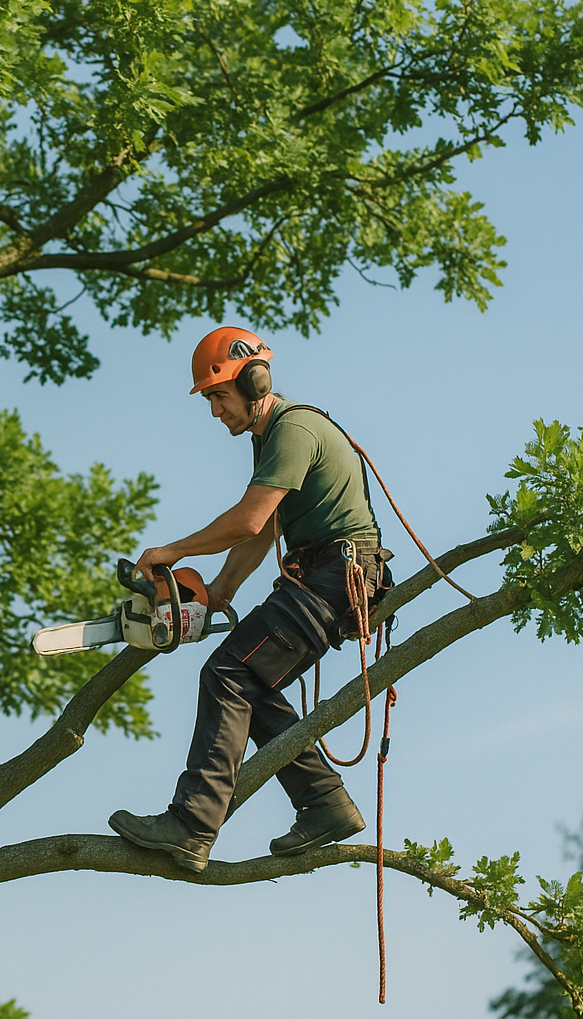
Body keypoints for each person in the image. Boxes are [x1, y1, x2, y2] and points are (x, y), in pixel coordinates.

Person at [108, 326, 392, 873]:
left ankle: (191, 825)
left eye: (218, 396)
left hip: (338, 575)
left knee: (227, 674)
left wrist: (168, 551)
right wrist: (217, 594)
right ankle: (326, 805)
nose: (214, 411)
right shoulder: (271, 438)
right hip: (327, 575)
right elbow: (264, 532)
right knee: (246, 681)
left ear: (253, 380)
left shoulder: (294, 428)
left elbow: (248, 519)